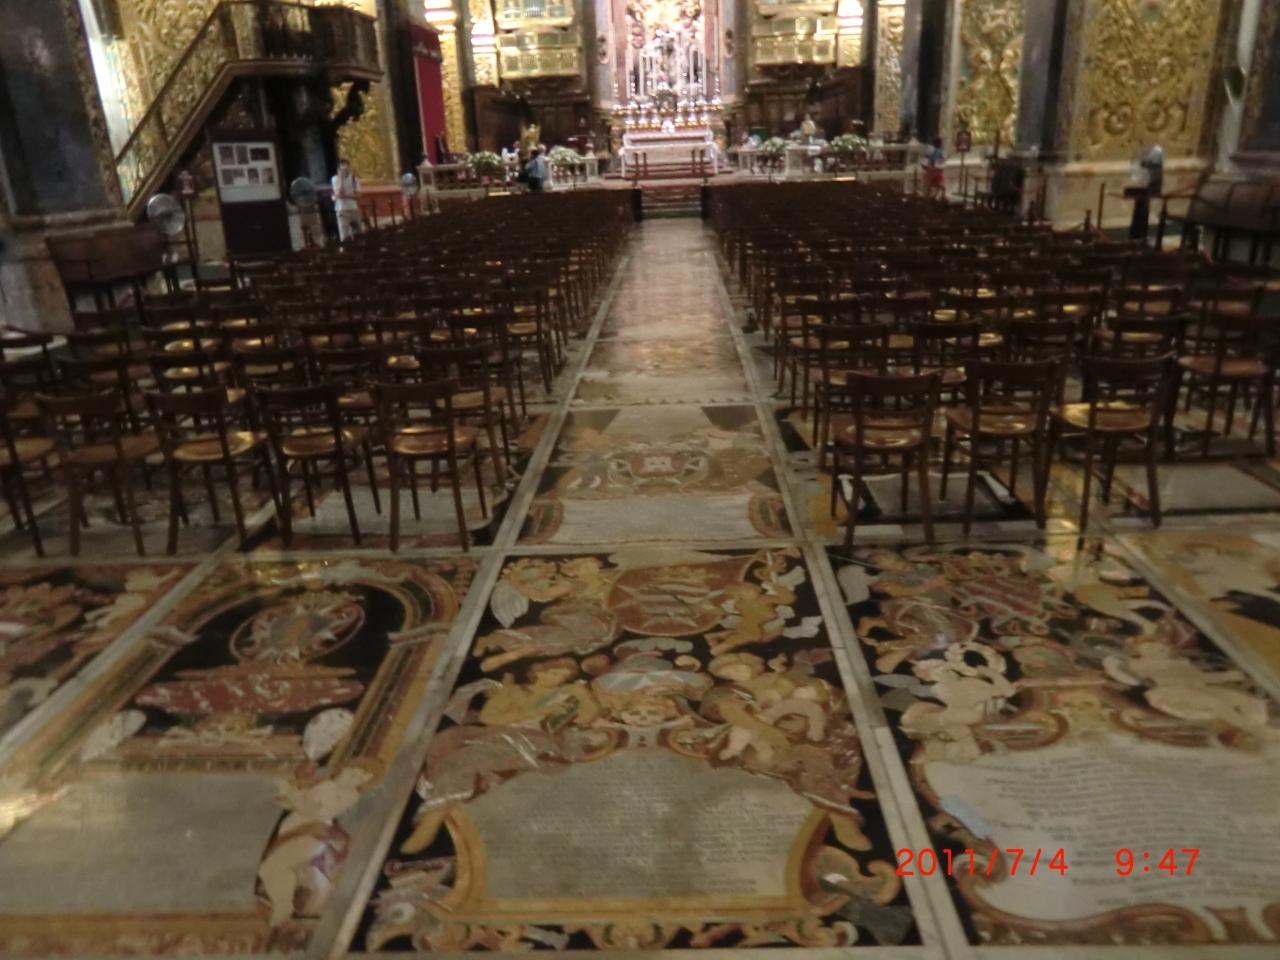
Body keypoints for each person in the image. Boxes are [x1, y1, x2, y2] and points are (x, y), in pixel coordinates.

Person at [330, 158, 361, 241]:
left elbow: (358, 195)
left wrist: (347, 195)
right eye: (343, 169)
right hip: (342, 210)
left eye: (346, 168)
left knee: (358, 233)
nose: (345, 171)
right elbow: (339, 193)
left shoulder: (354, 178)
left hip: (353, 208)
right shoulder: (335, 179)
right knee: (345, 236)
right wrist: (341, 179)